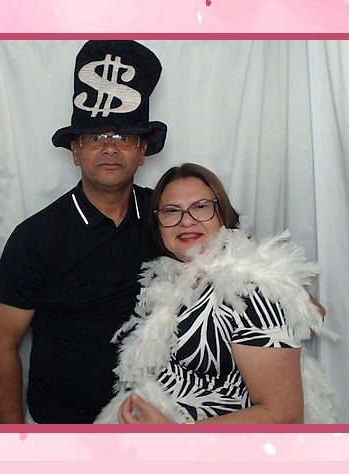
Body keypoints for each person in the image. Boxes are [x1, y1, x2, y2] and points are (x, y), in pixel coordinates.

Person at [0, 40, 166, 424]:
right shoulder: (35, 239)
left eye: (123, 137)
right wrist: (14, 442)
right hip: (59, 426)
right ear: (75, 151)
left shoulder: (169, 218)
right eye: (94, 137)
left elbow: (240, 262)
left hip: (155, 422)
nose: (109, 148)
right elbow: (2, 346)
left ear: (142, 151)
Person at [101, 163, 335, 425]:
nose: (186, 220)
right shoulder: (173, 279)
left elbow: (284, 415)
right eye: (171, 211)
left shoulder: (252, 289)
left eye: (201, 206)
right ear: (159, 226)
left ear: (222, 214)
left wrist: (174, 436)